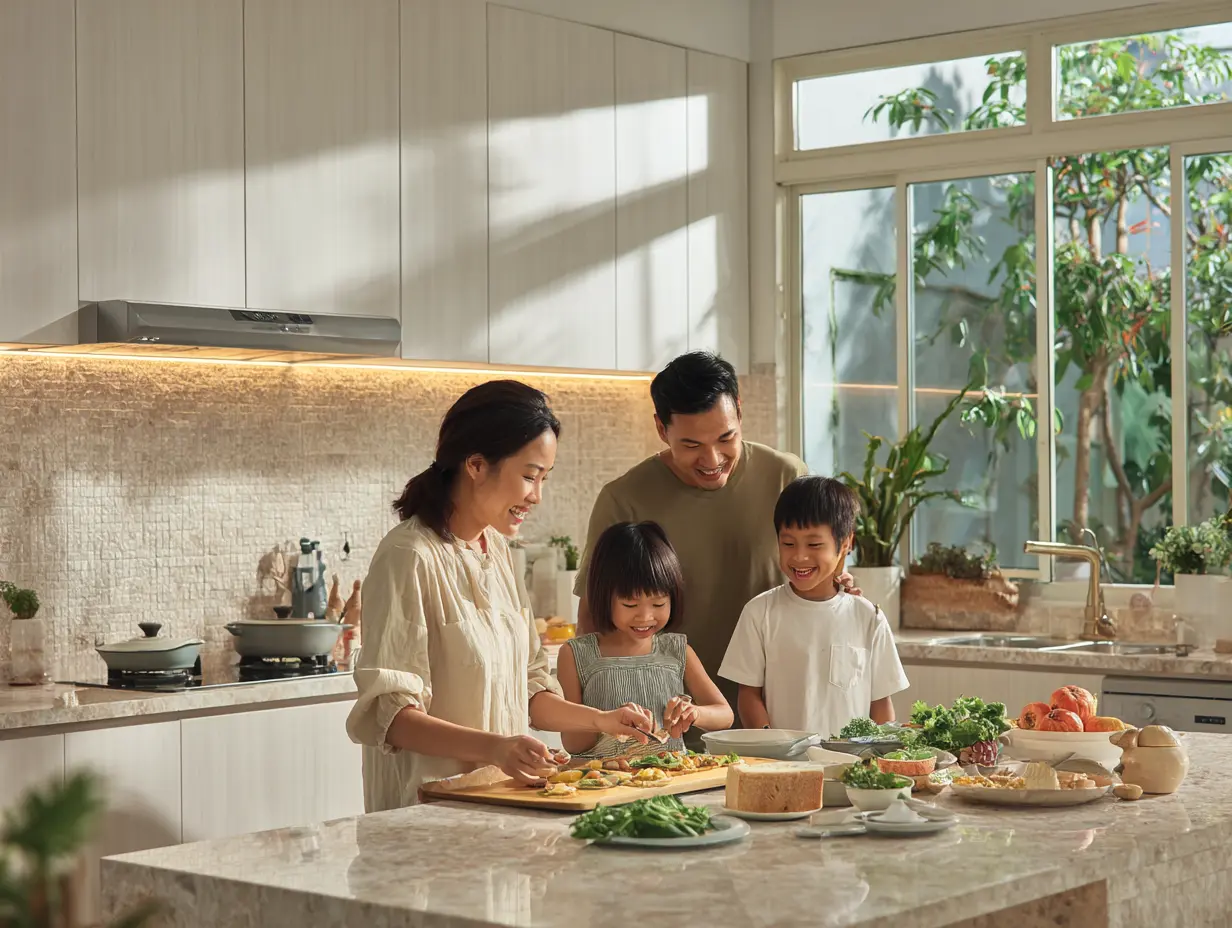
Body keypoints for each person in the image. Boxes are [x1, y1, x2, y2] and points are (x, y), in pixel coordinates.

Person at [346, 380, 653, 812]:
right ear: (475, 464)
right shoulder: (408, 557)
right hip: (426, 813)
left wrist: (601, 720)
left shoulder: (501, 553)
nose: (537, 496)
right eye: (529, 476)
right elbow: (391, 718)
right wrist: (497, 749)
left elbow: (530, 690)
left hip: (499, 806)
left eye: (544, 478)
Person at [574, 351, 857, 725]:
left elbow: (820, 563)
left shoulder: (784, 476)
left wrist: (840, 584)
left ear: (739, 412)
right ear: (662, 429)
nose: (712, 459)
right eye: (691, 445)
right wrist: (597, 721)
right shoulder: (623, 499)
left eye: (726, 438)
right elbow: (594, 614)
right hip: (667, 724)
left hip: (779, 717)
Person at [718, 476, 909, 738]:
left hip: (851, 767)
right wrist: (773, 744)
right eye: (788, 543)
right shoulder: (759, 612)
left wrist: (879, 758)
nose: (799, 556)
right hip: (781, 766)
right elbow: (748, 696)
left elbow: (881, 705)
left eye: (814, 544)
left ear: (845, 544)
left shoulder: (868, 617)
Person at [556, 522, 733, 758]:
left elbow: (725, 715)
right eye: (630, 604)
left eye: (659, 603)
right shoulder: (575, 655)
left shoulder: (677, 650)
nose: (645, 617)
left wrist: (694, 714)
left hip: (671, 780)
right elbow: (574, 744)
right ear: (603, 596)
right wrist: (605, 721)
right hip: (604, 784)